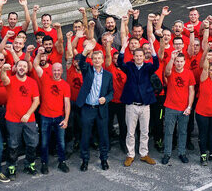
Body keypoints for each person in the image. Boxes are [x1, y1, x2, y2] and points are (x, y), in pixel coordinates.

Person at [74, 41, 114, 171]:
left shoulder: (108, 75)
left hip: (101, 109)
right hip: (88, 109)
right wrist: (86, 51)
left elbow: (111, 92)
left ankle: (104, 159)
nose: (97, 60)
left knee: (103, 136)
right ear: (92, 59)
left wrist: (106, 99)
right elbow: (81, 62)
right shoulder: (88, 71)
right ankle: (85, 160)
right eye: (95, 58)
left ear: (103, 60)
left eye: (99, 58)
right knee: (85, 136)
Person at [118, 39, 159, 167]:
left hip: (145, 105)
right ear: (134, 57)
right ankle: (130, 155)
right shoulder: (129, 67)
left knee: (144, 131)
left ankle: (144, 154)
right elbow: (119, 62)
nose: (139, 58)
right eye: (136, 56)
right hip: (131, 105)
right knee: (130, 132)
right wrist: (123, 48)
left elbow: (156, 65)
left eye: (141, 56)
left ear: (143, 57)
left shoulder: (148, 67)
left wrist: (152, 50)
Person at [0, 57, 40, 176]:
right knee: (13, 145)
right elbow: (3, 79)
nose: (22, 68)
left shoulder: (32, 82)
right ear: (16, 68)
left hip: (29, 119)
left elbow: (36, 101)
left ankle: (29, 165)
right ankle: (11, 167)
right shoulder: (10, 80)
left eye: (24, 66)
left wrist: (28, 114)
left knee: (32, 143)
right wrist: (3, 70)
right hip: (12, 119)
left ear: (27, 69)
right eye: (19, 66)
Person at [33, 54, 71, 175]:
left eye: (59, 70)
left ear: (62, 71)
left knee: (61, 142)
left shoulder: (65, 85)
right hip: (45, 117)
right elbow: (35, 65)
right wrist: (39, 52)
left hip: (59, 117)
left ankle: (62, 162)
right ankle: (44, 163)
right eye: (54, 70)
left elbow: (67, 103)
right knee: (44, 142)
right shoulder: (45, 78)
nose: (56, 72)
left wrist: (66, 119)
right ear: (51, 70)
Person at [161, 52, 196, 164]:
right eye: (177, 61)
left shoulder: (189, 73)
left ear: (184, 62)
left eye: (181, 61)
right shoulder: (171, 71)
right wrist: (171, 59)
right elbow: (166, 72)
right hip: (170, 107)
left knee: (182, 132)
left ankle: (182, 153)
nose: (179, 63)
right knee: (169, 132)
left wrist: (189, 107)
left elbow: (192, 91)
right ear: (175, 62)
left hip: (183, 108)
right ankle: (167, 154)